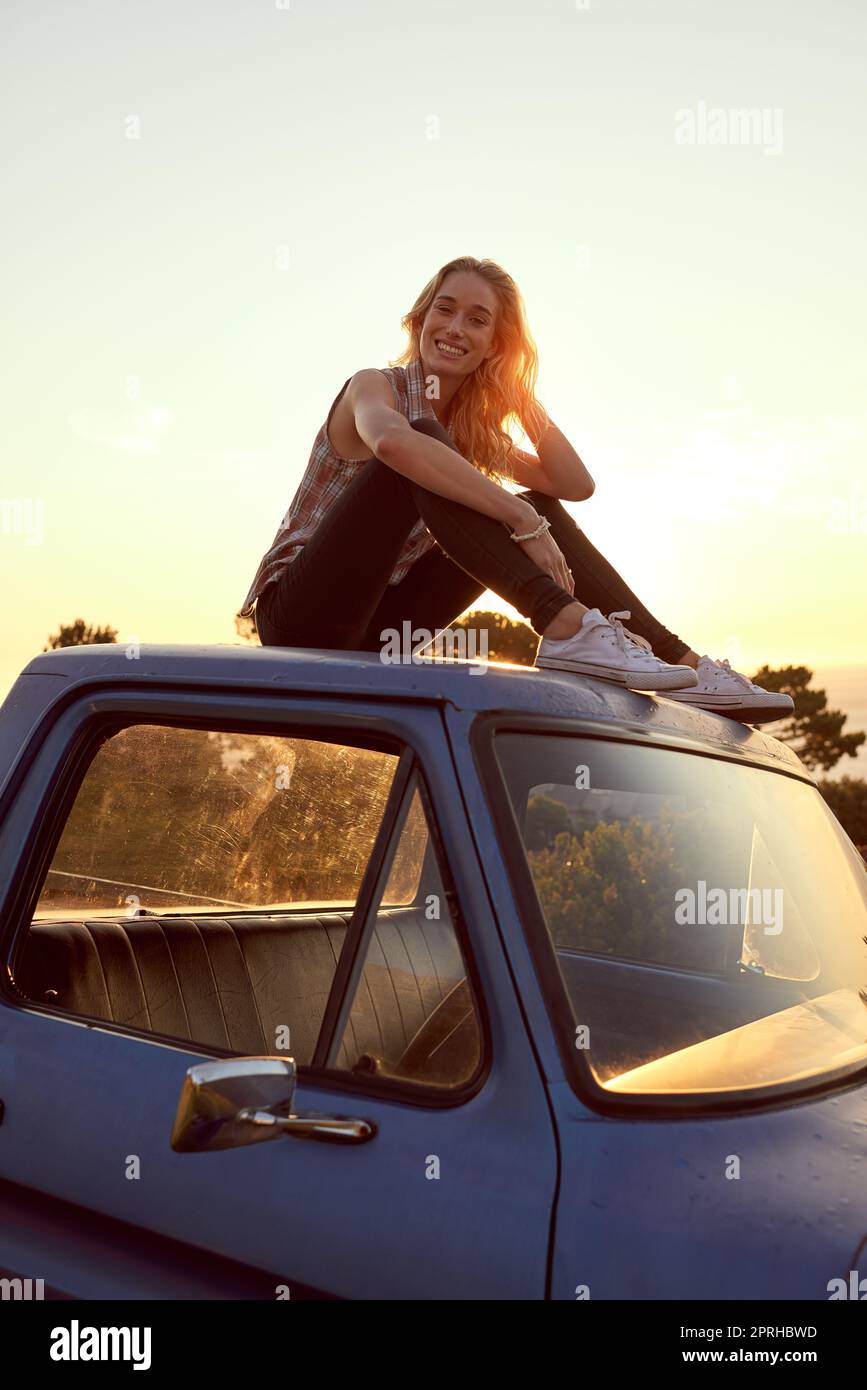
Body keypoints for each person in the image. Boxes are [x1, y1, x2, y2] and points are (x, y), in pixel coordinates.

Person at [239, 256, 792, 724]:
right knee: (432, 447)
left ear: (493, 344)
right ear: (420, 318)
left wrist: (518, 395)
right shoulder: (375, 387)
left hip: (383, 633)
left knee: (526, 498)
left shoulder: (473, 433)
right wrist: (523, 524)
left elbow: (573, 485)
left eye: (478, 321)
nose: (455, 327)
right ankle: (565, 624)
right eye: (445, 309)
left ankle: (685, 664)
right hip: (301, 621)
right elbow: (392, 447)